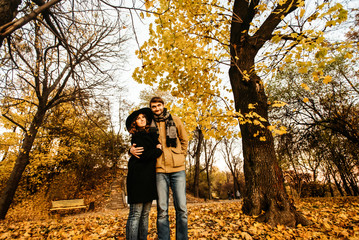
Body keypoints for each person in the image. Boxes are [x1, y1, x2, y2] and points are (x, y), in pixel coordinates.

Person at [130, 97, 189, 240]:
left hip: (177, 169)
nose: (157, 109)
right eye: (154, 107)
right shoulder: (149, 124)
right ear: (151, 109)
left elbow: (184, 140)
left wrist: (181, 156)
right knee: (162, 209)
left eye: (159, 105)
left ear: (163, 106)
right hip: (159, 170)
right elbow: (139, 139)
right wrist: (130, 149)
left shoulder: (175, 120)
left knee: (181, 208)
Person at [125, 107, 163, 240]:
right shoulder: (137, 135)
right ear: (134, 122)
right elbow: (143, 155)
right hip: (138, 177)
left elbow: (153, 146)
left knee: (145, 213)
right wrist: (158, 151)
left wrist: (157, 146)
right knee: (135, 213)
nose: (141, 120)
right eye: (138, 119)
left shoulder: (150, 134)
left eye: (143, 118)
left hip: (149, 177)